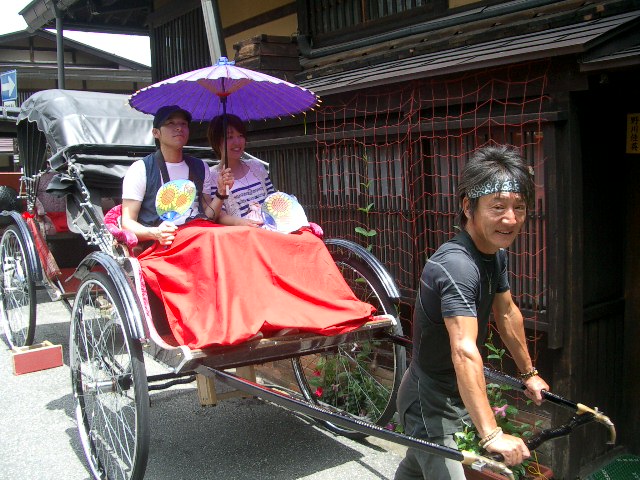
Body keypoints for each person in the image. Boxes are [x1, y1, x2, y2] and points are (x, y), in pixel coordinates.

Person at [395, 145, 550, 480]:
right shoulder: (456, 266)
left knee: (415, 468)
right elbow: (464, 351)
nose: (511, 218)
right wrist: (492, 433)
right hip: (428, 400)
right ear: (468, 207)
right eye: (498, 207)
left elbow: (506, 313)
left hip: (455, 396)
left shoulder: (494, 254)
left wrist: (528, 373)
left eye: (519, 207)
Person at [121, 105, 233, 246]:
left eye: (183, 124)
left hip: (200, 235)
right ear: (156, 133)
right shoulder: (141, 169)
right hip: (164, 244)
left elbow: (209, 216)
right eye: (170, 123)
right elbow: (127, 223)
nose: (179, 128)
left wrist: (221, 193)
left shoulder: (200, 167)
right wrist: (155, 233)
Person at [207, 114, 276, 227]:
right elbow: (220, 216)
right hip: (242, 237)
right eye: (229, 137)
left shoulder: (256, 167)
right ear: (217, 141)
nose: (237, 142)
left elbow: (272, 198)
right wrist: (240, 223)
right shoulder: (212, 176)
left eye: (240, 135)